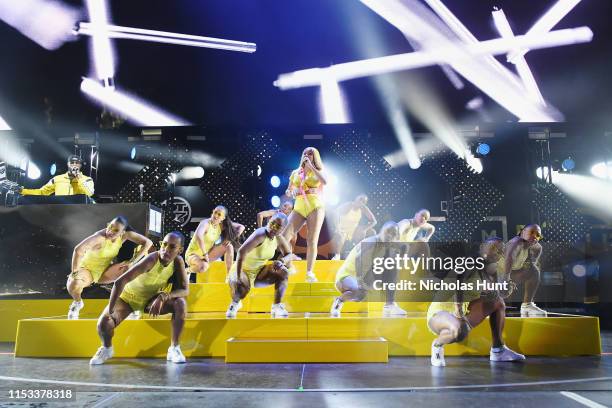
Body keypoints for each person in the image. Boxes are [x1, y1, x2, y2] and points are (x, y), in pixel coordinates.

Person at [90, 232, 189, 365]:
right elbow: (120, 282)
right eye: (164, 245)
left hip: (149, 301)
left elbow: (185, 290)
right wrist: (112, 308)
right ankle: (107, 348)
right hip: (127, 299)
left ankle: (174, 349)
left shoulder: (178, 261)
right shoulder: (152, 259)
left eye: (172, 247)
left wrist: (164, 296)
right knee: (103, 323)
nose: (166, 249)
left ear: (180, 250)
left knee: (180, 303)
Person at [428, 237, 525, 367]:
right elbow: (458, 281)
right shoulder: (469, 261)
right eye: (493, 247)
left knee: (498, 302)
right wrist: (458, 307)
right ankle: (437, 345)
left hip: (464, 309)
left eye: (501, 250)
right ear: (481, 248)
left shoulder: (490, 270)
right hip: (440, 312)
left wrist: (504, 291)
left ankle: (498, 350)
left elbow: (492, 294)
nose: (498, 252)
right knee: (457, 330)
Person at [67, 216, 153, 319]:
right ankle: (77, 303)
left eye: (116, 230)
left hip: (105, 271)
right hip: (87, 270)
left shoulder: (124, 235)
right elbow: (78, 250)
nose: (110, 231)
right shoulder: (99, 237)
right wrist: (75, 272)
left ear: (122, 232)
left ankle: (131, 307)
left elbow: (148, 243)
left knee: (129, 269)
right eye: (110, 227)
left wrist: (133, 261)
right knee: (74, 284)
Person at [227, 213, 299, 318]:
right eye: (272, 223)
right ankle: (235, 304)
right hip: (242, 269)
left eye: (278, 226)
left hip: (258, 273)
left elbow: (289, 254)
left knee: (283, 272)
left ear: (282, 229)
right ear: (269, 221)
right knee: (241, 288)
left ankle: (277, 306)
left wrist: (282, 261)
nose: (274, 227)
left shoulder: (278, 238)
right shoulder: (260, 234)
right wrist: (238, 276)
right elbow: (241, 252)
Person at [330, 222, 400, 317]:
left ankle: (390, 305)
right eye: (388, 231)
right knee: (359, 289)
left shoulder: (386, 248)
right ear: (381, 231)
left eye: (393, 233)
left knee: (391, 270)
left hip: (362, 278)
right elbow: (360, 261)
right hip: (345, 277)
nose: (390, 235)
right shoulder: (371, 242)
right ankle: (339, 301)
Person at [282, 147, 327, 283]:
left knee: (311, 240)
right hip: (299, 207)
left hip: (315, 206)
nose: (307, 155)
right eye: (305, 153)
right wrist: (292, 191)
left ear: (315, 157)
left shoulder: (318, 170)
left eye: (310, 154)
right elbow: (288, 191)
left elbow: (325, 182)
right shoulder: (296, 172)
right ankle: (289, 264)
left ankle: (309, 272)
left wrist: (311, 167)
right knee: (284, 236)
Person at [383, 209, 436, 316]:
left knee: (422, 242)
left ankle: (427, 274)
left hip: (404, 252)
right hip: (392, 251)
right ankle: (390, 304)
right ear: (416, 214)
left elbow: (432, 228)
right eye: (422, 215)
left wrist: (427, 238)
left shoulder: (421, 225)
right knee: (411, 244)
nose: (424, 219)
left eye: (426, 218)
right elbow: (396, 233)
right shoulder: (406, 223)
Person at [500, 224, 546, 317]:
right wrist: (506, 280)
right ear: (522, 232)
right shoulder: (516, 242)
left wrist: (515, 281)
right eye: (531, 232)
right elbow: (509, 258)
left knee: (534, 271)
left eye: (537, 235)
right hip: (497, 273)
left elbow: (529, 266)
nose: (534, 236)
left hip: (513, 272)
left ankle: (527, 305)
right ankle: (487, 305)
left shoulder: (537, 247)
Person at [185, 205, 245, 275]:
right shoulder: (205, 223)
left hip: (208, 254)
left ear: (223, 218)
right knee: (203, 267)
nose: (216, 215)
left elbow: (241, 227)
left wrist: (230, 240)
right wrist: (205, 254)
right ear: (213, 211)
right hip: (193, 254)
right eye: (215, 212)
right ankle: (187, 270)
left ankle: (229, 276)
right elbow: (199, 236)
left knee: (229, 246)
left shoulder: (220, 226)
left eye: (219, 214)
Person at [20, 155, 94, 197]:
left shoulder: (87, 179)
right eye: (72, 162)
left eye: (77, 163)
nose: (74, 164)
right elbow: (42, 192)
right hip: (59, 211)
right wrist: (23, 191)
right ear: (68, 164)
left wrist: (79, 178)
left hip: (78, 213)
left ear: (80, 165)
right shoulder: (57, 179)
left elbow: (89, 193)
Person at [331, 194, 377, 260]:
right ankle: (337, 255)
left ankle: (362, 253)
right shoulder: (349, 205)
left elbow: (374, 221)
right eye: (360, 199)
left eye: (364, 201)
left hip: (354, 231)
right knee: (342, 235)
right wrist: (337, 227)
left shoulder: (363, 208)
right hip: (343, 230)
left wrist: (365, 229)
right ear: (356, 198)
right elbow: (335, 212)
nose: (361, 202)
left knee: (372, 232)